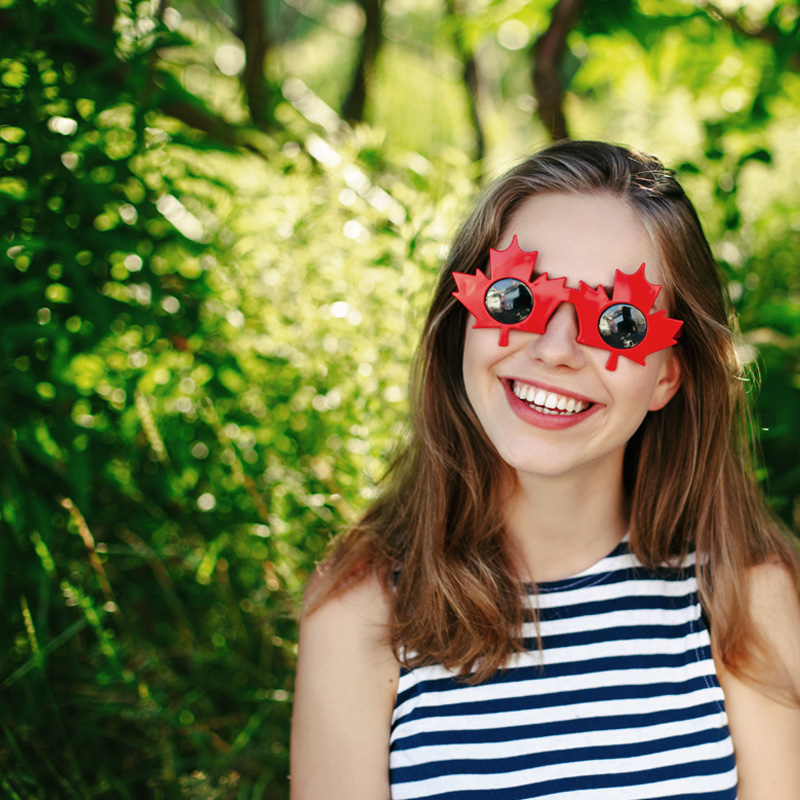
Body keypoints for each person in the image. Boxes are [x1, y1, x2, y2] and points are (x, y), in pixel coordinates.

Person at [290, 140, 800, 799]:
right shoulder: (362, 612)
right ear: (462, 321)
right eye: (515, 299)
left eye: (617, 322)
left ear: (667, 375)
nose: (556, 349)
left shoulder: (743, 596)